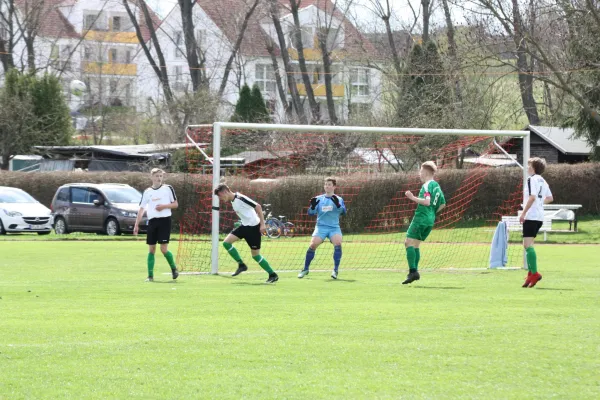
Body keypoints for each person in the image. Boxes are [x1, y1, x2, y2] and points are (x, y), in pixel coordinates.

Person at [214, 184, 279, 283]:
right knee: (226, 243)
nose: (220, 198)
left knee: (256, 256)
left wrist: (262, 224)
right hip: (244, 226)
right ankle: (241, 265)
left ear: (225, 192)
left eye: (220, 196)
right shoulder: (233, 201)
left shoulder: (240, 198)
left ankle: (272, 274)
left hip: (254, 228)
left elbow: (258, 206)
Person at [402, 161, 446, 285]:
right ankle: (414, 272)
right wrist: (432, 213)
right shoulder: (437, 186)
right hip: (430, 220)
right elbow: (443, 204)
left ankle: (413, 272)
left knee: (408, 242)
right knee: (415, 244)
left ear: (425, 172)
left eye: (420, 171)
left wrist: (412, 197)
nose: (419, 174)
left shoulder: (427, 185)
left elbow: (426, 202)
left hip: (421, 218)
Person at [134, 168, 179, 282]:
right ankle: (150, 276)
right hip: (153, 222)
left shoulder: (168, 188)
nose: (159, 178)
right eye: (157, 176)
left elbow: (175, 204)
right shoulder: (147, 191)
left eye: (160, 176)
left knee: (163, 249)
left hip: (165, 221)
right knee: (151, 249)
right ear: (152, 177)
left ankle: (174, 268)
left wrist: (163, 206)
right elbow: (142, 208)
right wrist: (136, 224)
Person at [298, 177, 347, 280]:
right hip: (321, 227)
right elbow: (310, 213)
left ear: (334, 186)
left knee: (338, 243)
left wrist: (338, 206)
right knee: (313, 245)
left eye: (329, 184)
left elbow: (344, 212)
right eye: (325, 184)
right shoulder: (318, 199)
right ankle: (305, 269)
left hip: (334, 227)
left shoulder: (339, 199)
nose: (327, 186)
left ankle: (335, 270)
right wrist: (312, 207)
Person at [520, 157, 553, 288]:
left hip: (532, 216)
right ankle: (530, 274)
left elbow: (533, 197)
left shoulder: (531, 179)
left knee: (528, 246)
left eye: (528, 166)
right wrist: (540, 204)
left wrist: (523, 213)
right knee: (528, 245)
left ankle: (534, 273)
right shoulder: (544, 181)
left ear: (533, 168)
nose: (527, 168)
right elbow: (550, 198)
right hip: (539, 216)